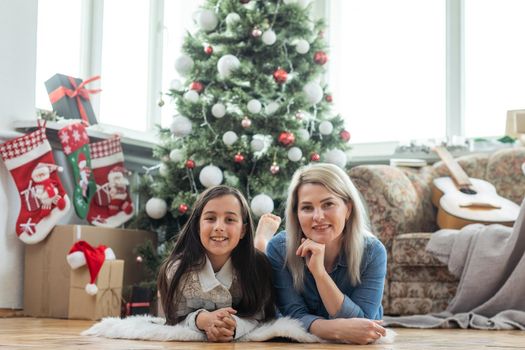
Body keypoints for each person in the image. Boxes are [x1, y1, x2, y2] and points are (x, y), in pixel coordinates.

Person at [258, 163, 387, 345]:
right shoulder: (279, 249)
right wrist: (336, 329)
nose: (318, 216)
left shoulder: (373, 252)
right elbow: (291, 317)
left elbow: (364, 321)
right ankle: (260, 243)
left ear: (348, 209)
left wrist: (320, 274)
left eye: (328, 204)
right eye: (307, 208)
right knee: (260, 261)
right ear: (296, 214)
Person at [157, 185, 275, 342]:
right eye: (210, 218)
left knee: (259, 253)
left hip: (252, 258)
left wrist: (233, 326)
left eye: (230, 219)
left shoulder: (259, 268)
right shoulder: (178, 270)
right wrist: (202, 320)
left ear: (243, 231)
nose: (219, 227)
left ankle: (261, 240)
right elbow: (174, 321)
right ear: (198, 227)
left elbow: (260, 317)